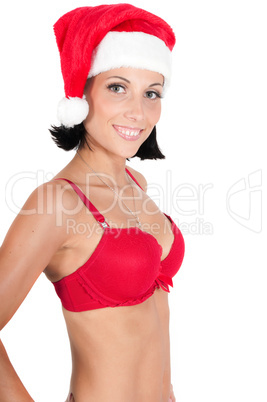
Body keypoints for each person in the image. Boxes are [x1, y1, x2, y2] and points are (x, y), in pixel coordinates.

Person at [0, 4, 185, 401]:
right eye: (117, 87)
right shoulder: (58, 202)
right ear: (81, 93)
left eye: (151, 93)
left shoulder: (137, 182)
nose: (138, 111)